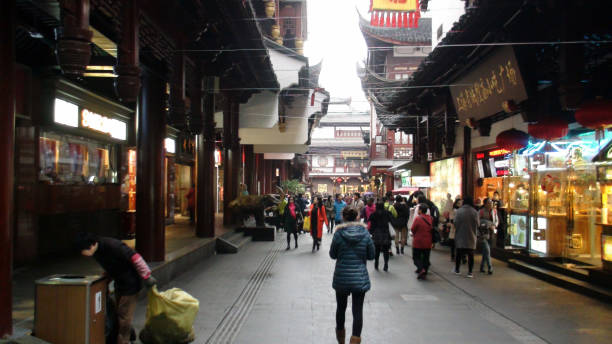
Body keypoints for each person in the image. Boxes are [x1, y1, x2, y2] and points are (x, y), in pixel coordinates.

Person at [74, 232, 156, 344]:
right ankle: (129, 335)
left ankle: (124, 341)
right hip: (120, 283)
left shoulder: (113, 245)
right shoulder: (97, 252)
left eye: (83, 251)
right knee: (120, 314)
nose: (83, 254)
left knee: (124, 316)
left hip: (131, 283)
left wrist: (146, 276)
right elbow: (111, 267)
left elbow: (135, 257)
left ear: (91, 245)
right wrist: (104, 281)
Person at [330, 207, 375, 344]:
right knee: (357, 311)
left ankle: (341, 338)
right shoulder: (365, 234)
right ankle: (355, 340)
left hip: (342, 277)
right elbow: (371, 255)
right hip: (359, 278)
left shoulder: (339, 234)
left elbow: (332, 255)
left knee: (341, 308)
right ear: (357, 217)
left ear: (343, 217)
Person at [453, 196, 479, 278]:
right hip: (471, 235)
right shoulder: (474, 212)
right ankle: (470, 272)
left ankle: (457, 270)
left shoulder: (459, 211)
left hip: (460, 235)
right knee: (471, 255)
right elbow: (478, 223)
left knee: (459, 253)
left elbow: (455, 222)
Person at [411, 203, 433, 280]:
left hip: (418, 241)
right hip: (428, 241)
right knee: (426, 257)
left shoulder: (418, 218)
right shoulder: (430, 218)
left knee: (416, 257)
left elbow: (413, 229)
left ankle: (421, 269)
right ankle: (424, 271)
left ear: (420, 210)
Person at [369, 202, 393, 271]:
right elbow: (392, 221)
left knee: (377, 250)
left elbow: (371, 225)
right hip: (385, 233)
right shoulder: (387, 213)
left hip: (376, 233)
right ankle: (386, 264)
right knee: (386, 250)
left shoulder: (373, 214)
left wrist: (371, 232)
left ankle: (376, 263)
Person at [478, 198, 497, 274]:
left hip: (491, 233)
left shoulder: (494, 211)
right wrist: (489, 225)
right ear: (485, 204)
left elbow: (496, 221)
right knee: (487, 250)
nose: (491, 204)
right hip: (483, 234)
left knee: (486, 251)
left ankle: (482, 266)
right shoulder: (481, 211)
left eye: (491, 203)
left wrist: (494, 226)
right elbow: (478, 222)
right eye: (489, 203)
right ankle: (490, 267)